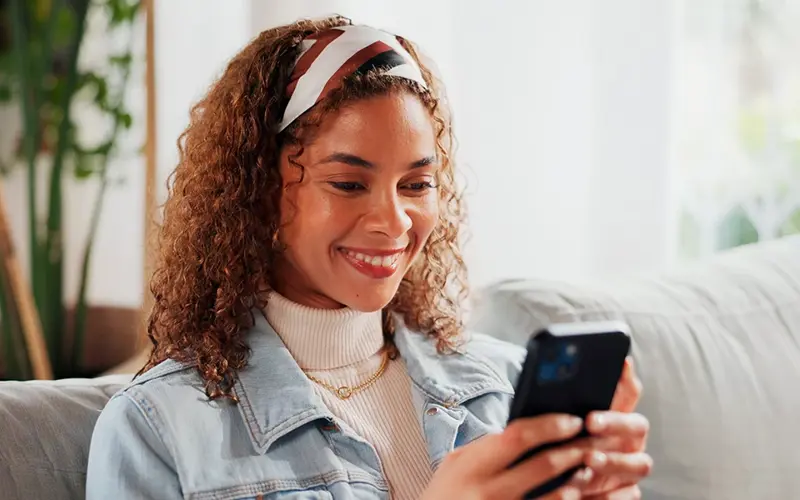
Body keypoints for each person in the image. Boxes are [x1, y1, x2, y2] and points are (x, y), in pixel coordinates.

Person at [86, 15, 651, 500]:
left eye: (416, 184)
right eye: (350, 184)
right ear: (257, 190)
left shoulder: (504, 389)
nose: (395, 222)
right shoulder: (157, 430)